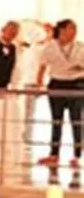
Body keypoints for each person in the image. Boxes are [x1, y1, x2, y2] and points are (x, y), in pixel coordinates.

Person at [36, 18, 84, 170]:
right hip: (56, 83)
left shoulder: (80, 47)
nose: (74, 32)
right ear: (62, 30)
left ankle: (77, 155)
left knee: (76, 120)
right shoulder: (50, 46)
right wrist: (39, 84)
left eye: (75, 29)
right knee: (56, 121)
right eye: (71, 28)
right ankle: (54, 153)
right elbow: (42, 66)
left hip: (76, 84)